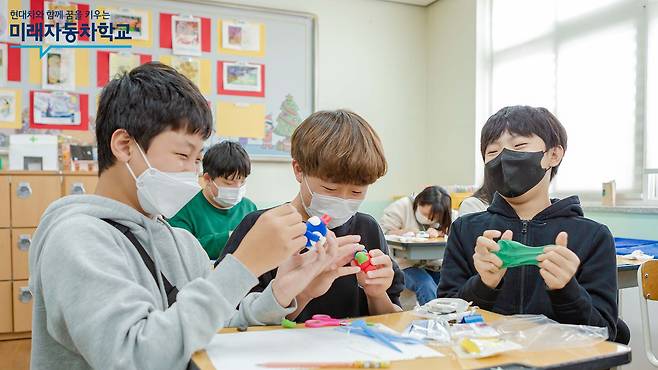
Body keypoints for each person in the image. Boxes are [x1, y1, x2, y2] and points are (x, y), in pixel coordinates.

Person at [28, 62, 350, 369]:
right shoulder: (77, 238)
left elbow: (213, 326)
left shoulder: (180, 242)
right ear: (125, 146)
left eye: (198, 159)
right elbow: (136, 358)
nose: (192, 172)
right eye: (183, 154)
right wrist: (243, 265)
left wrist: (288, 291)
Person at [438, 105, 618, 339]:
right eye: (492, 152)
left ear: (553, 155)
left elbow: (606, 334)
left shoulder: (593, 237)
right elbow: (443, 320)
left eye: (519, 146)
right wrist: (483, 285)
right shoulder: (465, 230)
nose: (504, 158)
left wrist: (566, 289)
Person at [219, 109, 405, 321]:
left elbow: (391, 319)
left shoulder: (367, 228)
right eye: (330, 189)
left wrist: (377, 294)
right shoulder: (264, 228)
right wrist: (300, 293)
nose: (343, 200)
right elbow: (234, 322)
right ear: (299, 170)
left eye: (357, 192)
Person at [169, 141, 257, 260]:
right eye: (229, 182)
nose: (237, 188)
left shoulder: (249, 208)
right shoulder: (183, 207)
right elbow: (180, 250)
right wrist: (231, 238)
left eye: (242, 181)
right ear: (208, 179)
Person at [379, 186, 452, 305]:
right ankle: (435, 319)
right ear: (418, 202)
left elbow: (449, 231)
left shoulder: (444, 215)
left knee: (447, 284)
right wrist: (407, 231)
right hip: (404, 264)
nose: (428, 219)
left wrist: (438, 233)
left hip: (433, 264)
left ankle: (450, 318)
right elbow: (383, 233)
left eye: (433, 218)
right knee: (426, 285)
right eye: (425, 214)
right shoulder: (400, 207)